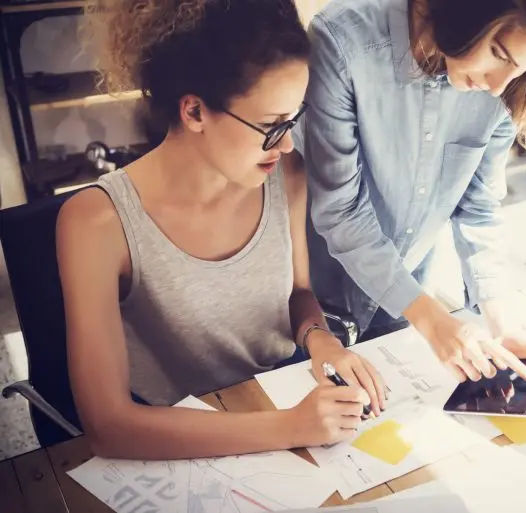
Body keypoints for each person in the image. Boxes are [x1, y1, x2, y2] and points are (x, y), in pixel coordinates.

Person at [57, 0, 386, 461]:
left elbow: (297, 293)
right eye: (272, 126)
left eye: (293, 121)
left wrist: (321, 340)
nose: (288, 143)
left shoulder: (284, 174)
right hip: (176, 437)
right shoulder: (96, 221)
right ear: (194, 112)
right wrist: (291, 427)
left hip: (279, 399)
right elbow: (109, 427)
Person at [289, 0, 526, 384]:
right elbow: (341, 210)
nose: (498, 85)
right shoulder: (344, 41)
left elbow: (479, 206)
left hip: (406, 302)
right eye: (499, 54)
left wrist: (501, 321)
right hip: (312, 305)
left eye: (523, 69)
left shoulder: (506, 88)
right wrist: (433, 322)